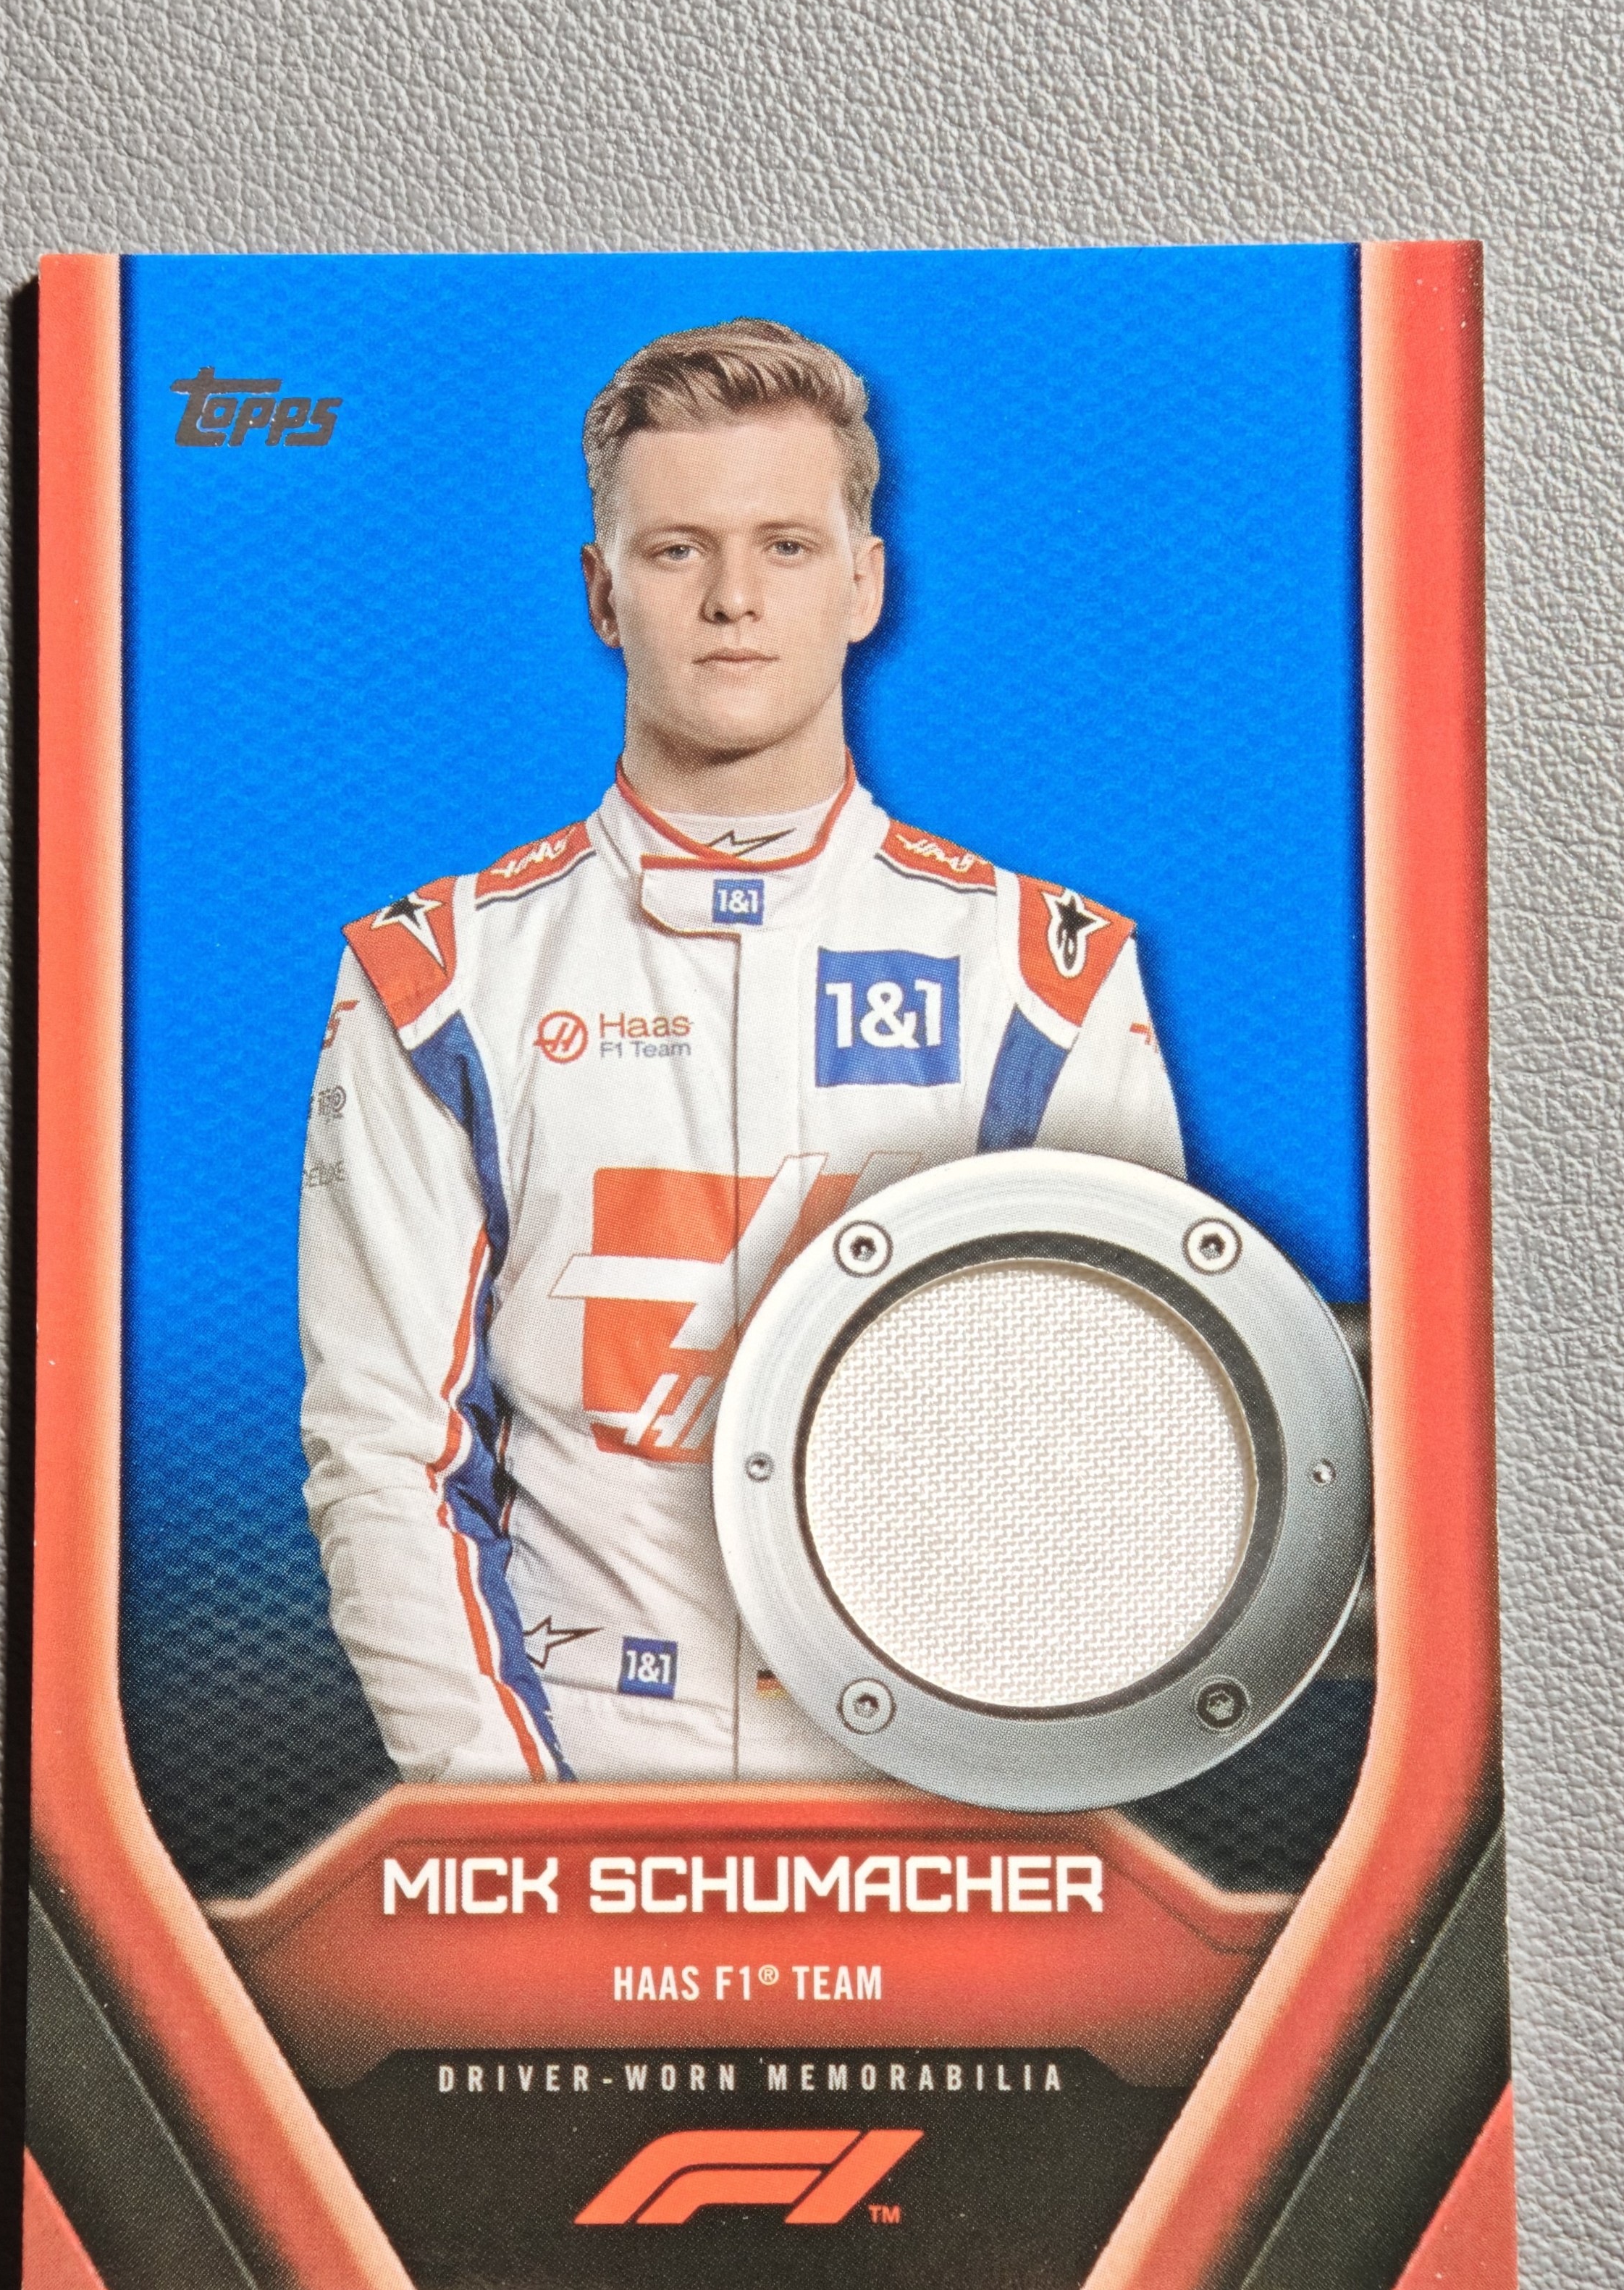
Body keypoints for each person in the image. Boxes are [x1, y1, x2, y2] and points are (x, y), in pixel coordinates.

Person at [299, 319, 1185, 1785]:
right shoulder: (437, 977)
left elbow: (1112, 1446)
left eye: (785, 545)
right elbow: (385, 1453)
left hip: (929, 1817)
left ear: (864, 582)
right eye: (675, 552)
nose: (731, 599)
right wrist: (525, 1842)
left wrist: (976, 1824)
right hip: (570, 1794)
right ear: (601, 592)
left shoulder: (1042, 977)